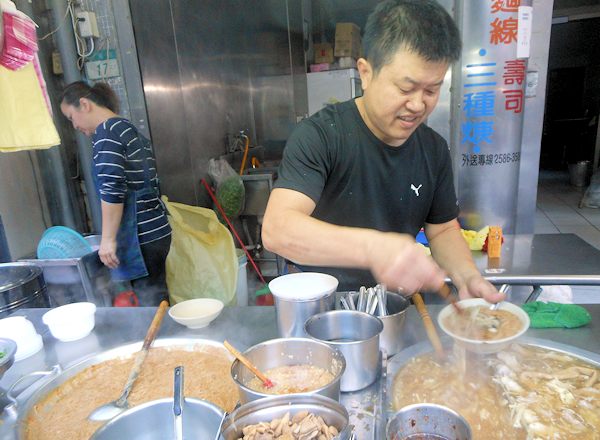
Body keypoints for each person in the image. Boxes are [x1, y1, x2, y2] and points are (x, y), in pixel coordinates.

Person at [262, 0, 504, 303]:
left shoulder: (433, 149)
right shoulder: (322, 136)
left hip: (397, 303)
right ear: (366, 72)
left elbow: (442, 230)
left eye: (431, 90)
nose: (418, 105)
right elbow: (277, 230)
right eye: (406, 88)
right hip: (323, 304)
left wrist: (467, 276)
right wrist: (376, 249)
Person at [60, 81, 171, 306]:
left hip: (140, 237)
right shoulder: (126, 128)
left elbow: (112, 190)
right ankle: (167, 337)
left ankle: (162, 340)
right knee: (157, 298)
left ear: (84, 104)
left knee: (151, 304)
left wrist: (108, 240)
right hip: (156, 230)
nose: (75, 126)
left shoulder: (107, 134)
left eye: (72, 117)